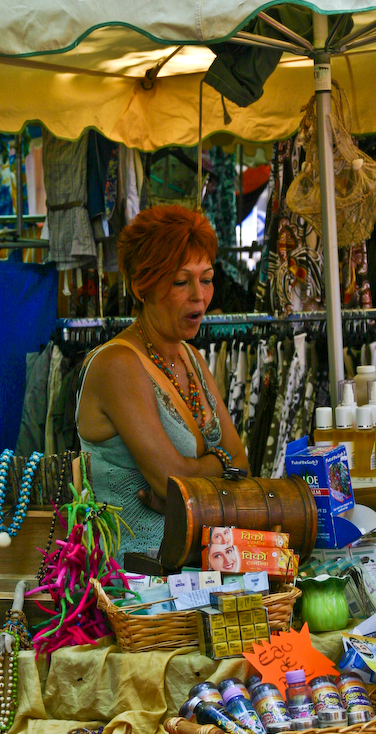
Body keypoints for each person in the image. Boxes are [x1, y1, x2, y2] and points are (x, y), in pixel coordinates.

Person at [76, 205, 249, 557]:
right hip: (133, 585)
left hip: (194, 573)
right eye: (181, 282)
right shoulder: (118, 364)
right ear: (142, 286)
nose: (199, 295)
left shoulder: (192, 358)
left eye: (207, 278)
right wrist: (218, 466)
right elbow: (173, 484)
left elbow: (243, 464)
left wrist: (196, 484)